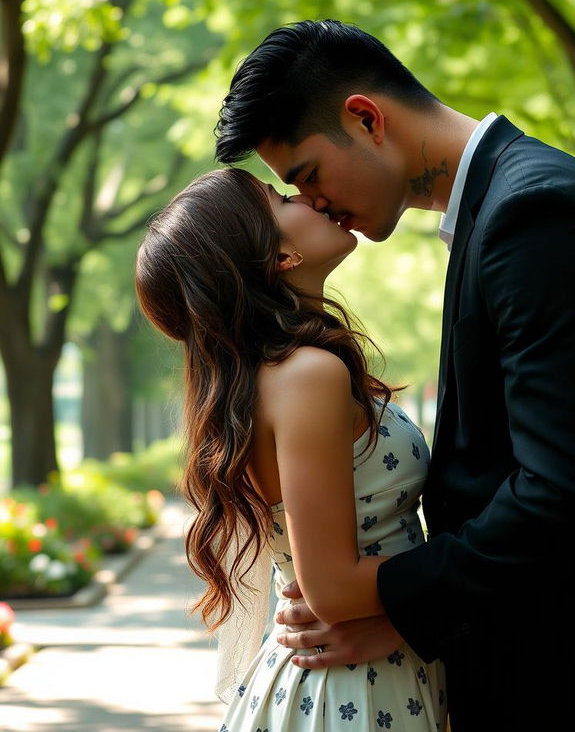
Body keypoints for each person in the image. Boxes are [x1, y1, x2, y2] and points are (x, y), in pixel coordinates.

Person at [214, 19, 575, 732]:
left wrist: (407, 616)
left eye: (307, 176)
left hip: (568, 678)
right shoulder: (501, 208)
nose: (314, 204)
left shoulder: (534, 213)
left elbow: (564, 489)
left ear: (366, 117)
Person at [135, 167, 447, 732]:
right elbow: (331, 590)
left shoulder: (272, 377)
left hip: (351, 673)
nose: (308, 196)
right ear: (279, 255)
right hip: (355, 688)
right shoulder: (308, 376)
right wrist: (463, 588)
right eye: (282, 198)